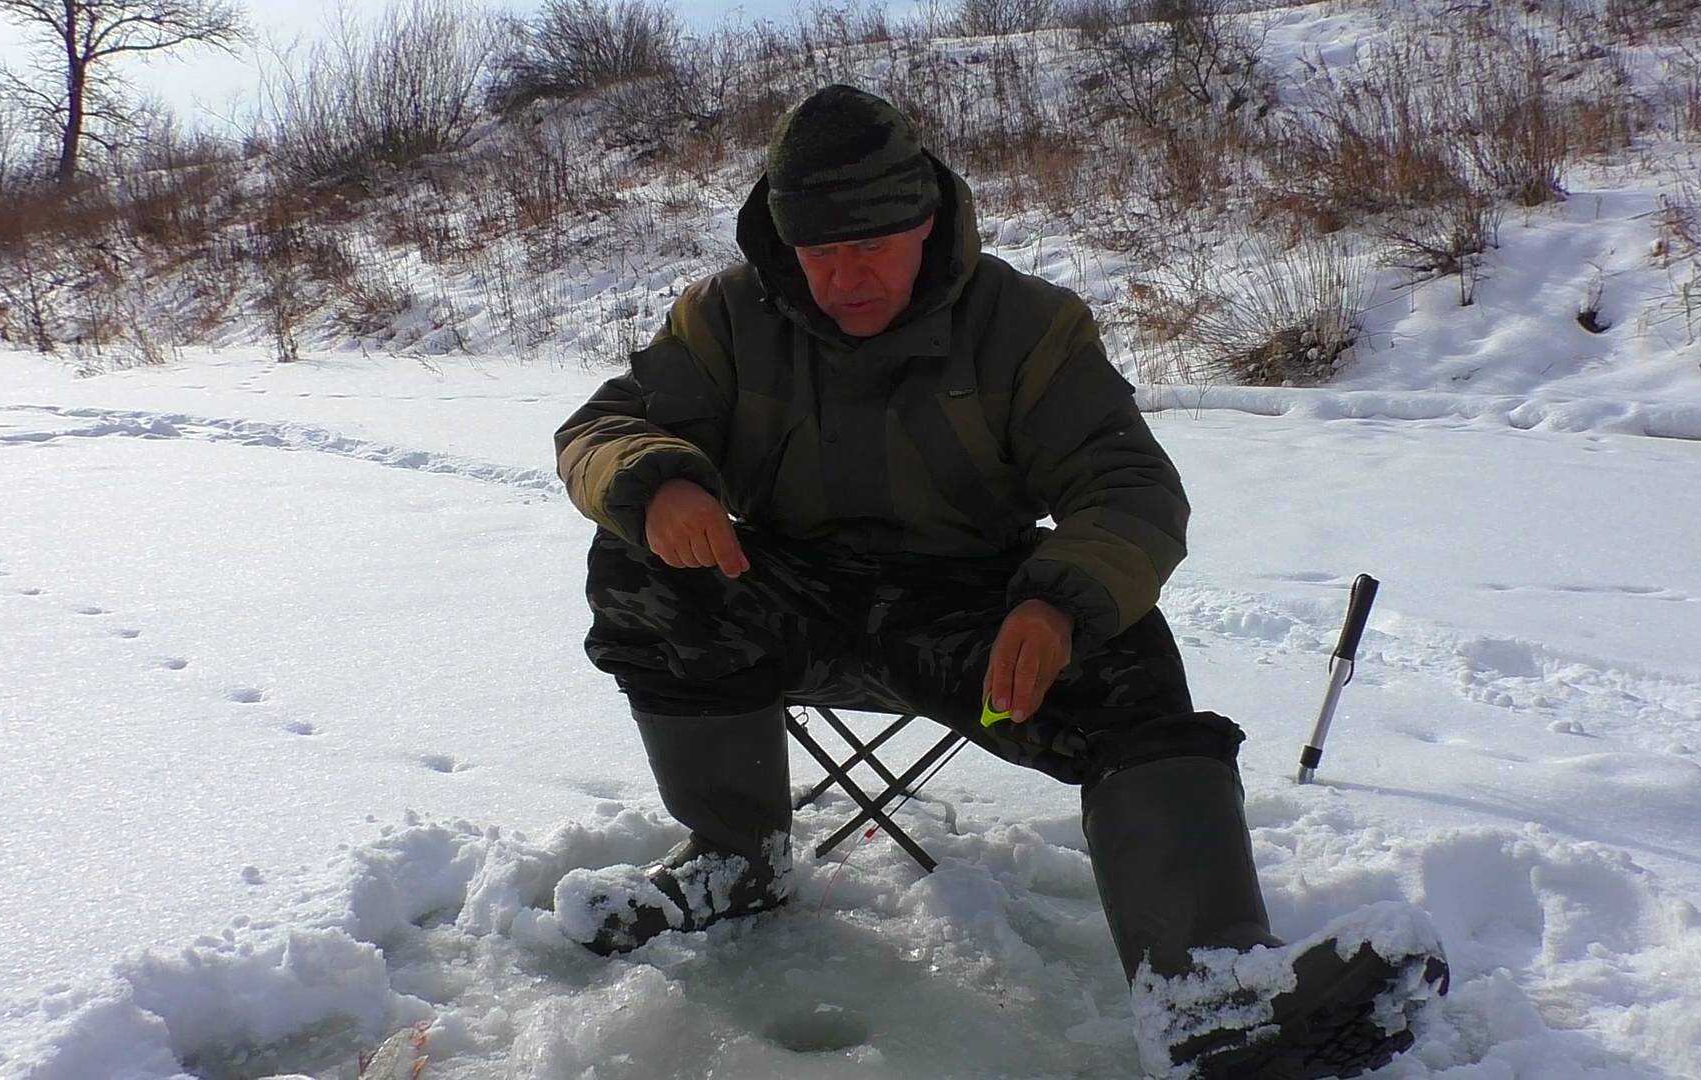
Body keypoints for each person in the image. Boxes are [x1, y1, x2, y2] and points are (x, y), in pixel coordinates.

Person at [554, 84, 1447, 1078]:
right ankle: (737, 859)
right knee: (637, 567)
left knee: (1129, 651)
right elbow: (602, 427)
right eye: (819, 251)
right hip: (784, 600)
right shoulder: (726, 317)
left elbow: (1130, 491)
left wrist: (1058, 601)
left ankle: (1207, 993)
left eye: (872, 246)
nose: (844, 277)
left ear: (925, 221)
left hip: (970, 619)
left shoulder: (1027, 327)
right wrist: (658, 480)